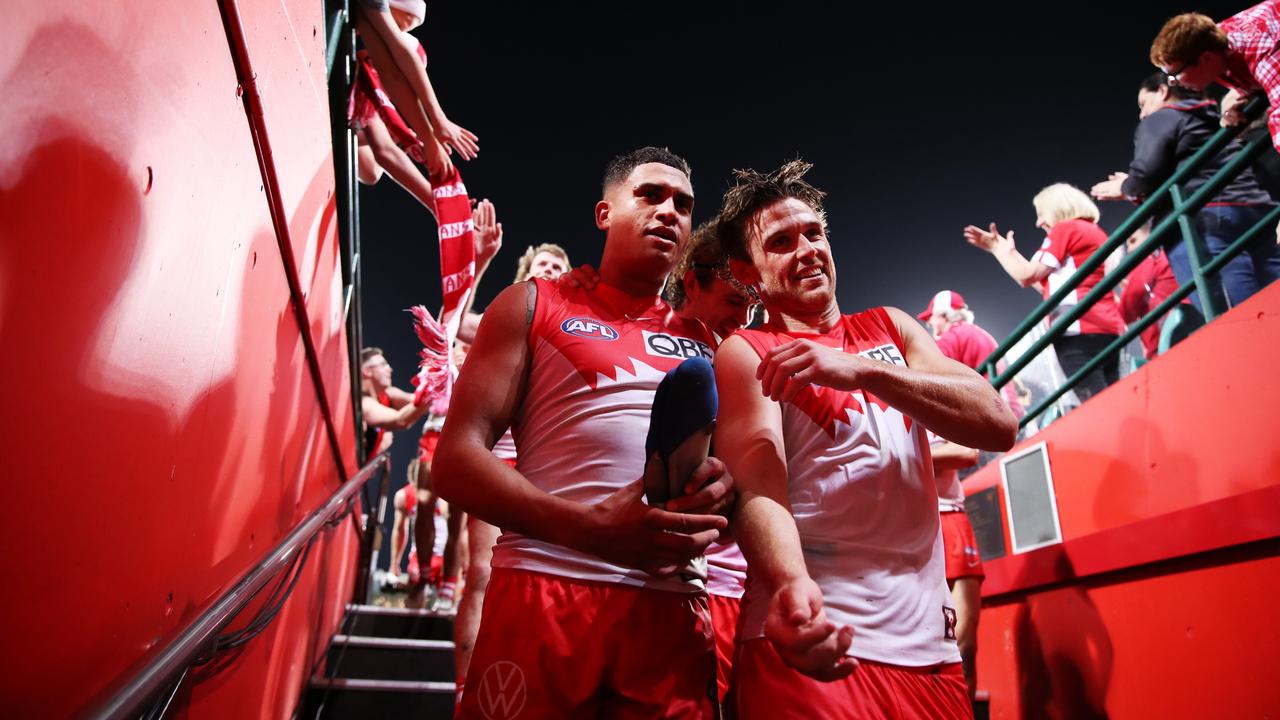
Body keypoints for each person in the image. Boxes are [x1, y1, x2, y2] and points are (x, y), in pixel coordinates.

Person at [434, 147, 734, 718]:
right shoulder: (531, 303)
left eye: (684, 205)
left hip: (671, 606)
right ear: (604, 213)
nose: (669, 211)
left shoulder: (710, 338)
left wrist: (725, 489)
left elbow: (736, 476)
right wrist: (591, 529)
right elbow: (454, 460)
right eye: (650, 195)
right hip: (546, 591)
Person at [711, 160, 1017, 718]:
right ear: (747, 274)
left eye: (814, 233)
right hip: (819, 634)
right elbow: (757, 489)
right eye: (781, 242)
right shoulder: (746, 350)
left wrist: (866, 371)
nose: (806, 250)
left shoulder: (892, 326)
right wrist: (788, 586)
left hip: (931, 651)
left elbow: (997, 422)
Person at [452, 243, 571, 703]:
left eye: (559, 265)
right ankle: (466, 689)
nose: (552, 270)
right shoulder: (510, 313)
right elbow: (455, 320)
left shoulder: (576, 319)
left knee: (549, 577)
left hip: (551, 462)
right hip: (498, 456)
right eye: (543, 264)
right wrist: (480, 263)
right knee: (482, 572)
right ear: (526, 272)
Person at [1091, 73, 1278, 310]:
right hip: (1252, 207)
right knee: (1271, 292)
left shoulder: (1162, 118)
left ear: (1162, 91)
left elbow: (1145, 175)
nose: (1142, 114)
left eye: (1143, 103)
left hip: (1208, 217)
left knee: (1235, 310)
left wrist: (1126, 188)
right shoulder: (1213, 117)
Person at [964, 184, 1127, 401]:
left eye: (1042, 214)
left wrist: (997, 249)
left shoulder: (1065, 229)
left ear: (1058, 207)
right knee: (1113, 398)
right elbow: (1043, 283)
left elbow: (1026, 275)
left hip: (1077, 330)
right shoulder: (1093, 231)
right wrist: (1010, 254)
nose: (1039, 222)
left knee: (1098, 403)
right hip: (1106, 328)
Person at [352, 0, 478, 181]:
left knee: (372, 171)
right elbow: (396, 63)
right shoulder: (368, 38)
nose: (397, 31)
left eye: (403, 29)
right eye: (398, 26)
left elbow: (376, 162)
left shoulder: (368, 26)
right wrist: (436, 123)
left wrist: (410, 136)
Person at [1149, 4, 1280, 151]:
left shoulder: (1264, 52)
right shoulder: (1213, 42)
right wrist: (1241, 102)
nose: (1172, 82)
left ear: (1206, 58)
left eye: (1174, 74)